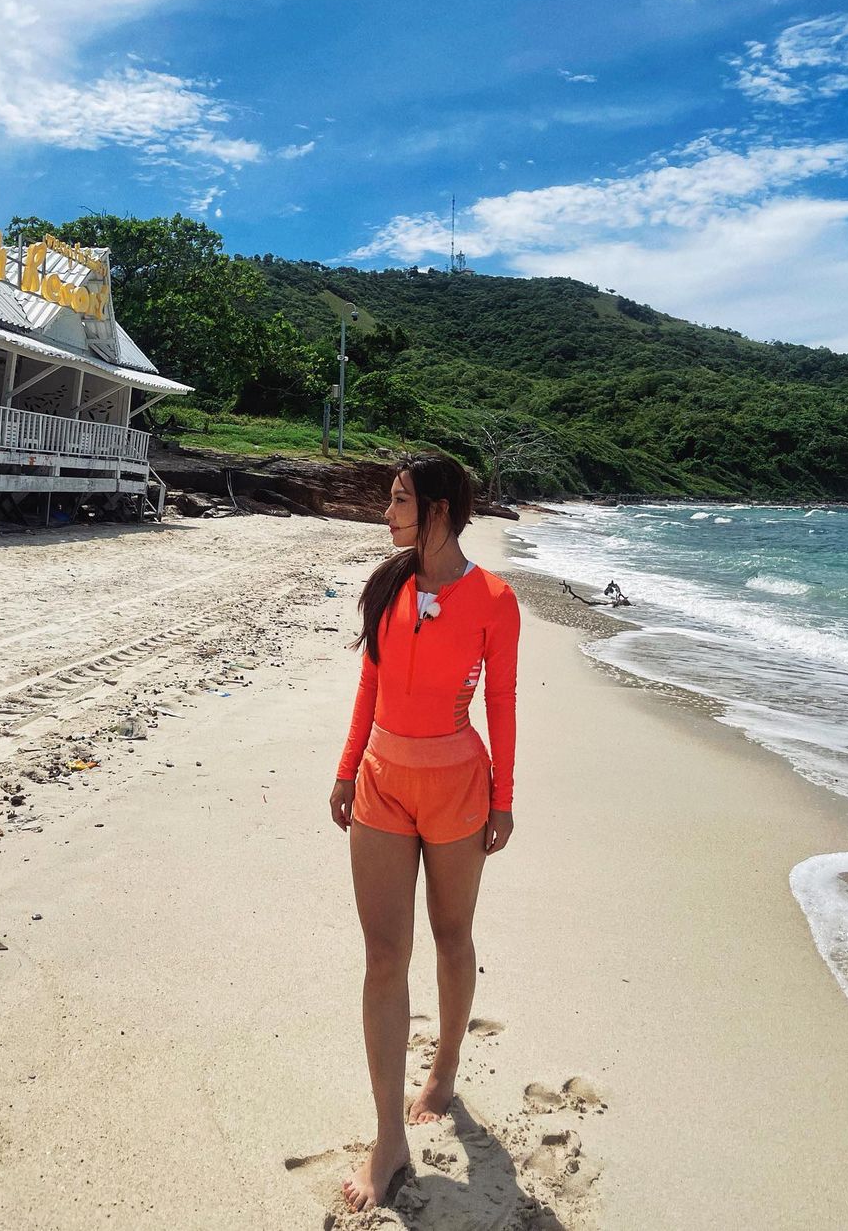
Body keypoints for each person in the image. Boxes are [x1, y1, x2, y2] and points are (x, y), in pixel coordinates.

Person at [330, 453, 520, 1212]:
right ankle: (389, 1137)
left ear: (439, 509)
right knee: (384, 957)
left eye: (399, 500)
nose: (387, 513)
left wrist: (503, 800)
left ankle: (444, 1067)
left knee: (451, 936)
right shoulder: (387, 586)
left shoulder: (495, 600)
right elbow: (370, 683)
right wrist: (347, 769)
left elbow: (501, 703)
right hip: (382, 781)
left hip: (457, 790)